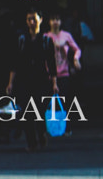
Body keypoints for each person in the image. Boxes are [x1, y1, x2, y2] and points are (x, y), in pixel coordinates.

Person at [3, 9, 61, 152]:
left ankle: (41, 133)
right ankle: (31, 142)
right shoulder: (22, 40)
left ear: (40, 20)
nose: (31, 22)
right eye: (29, 19)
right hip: (24, 81)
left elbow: (51, 63)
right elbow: (15, 62)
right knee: (26, 113)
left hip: (41, 80)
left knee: (39, 111)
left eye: (34, 19)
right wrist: (11, 82)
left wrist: (54, 83)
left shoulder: (46, 41)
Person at [47, 16, 84, 99]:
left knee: (64, 100)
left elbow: (77, 49)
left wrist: (76, 58)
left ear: (60, 22)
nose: (55, 22)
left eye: (57, 19)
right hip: (49, 75)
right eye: (53, 19)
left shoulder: (66, 35)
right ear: (49, 22)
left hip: (63, 73)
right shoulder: (46, 36)